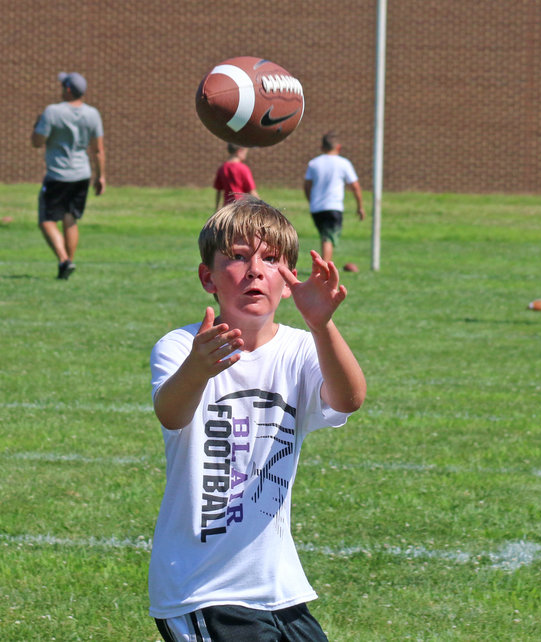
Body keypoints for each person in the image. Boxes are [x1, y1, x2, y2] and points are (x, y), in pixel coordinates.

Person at [148, 197, 366, 641]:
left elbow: (349, 399)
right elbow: (170, 414)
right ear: (208, 277)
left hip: (278, 587)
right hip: (204, 588)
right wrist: (198, 368)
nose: (255, 270)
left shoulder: (301, 348)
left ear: (287, 281)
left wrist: (323, 325)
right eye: (239, 257)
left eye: (270, 259)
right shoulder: (183, 346)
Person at [31, 72, 105, 280]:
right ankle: (68, 264)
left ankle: (64, 260)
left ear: (68, 90)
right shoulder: (93, 114)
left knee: (46, 219)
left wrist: (37, 126)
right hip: (82, 174)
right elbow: (98, 149)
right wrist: (101, 177)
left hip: (57, 174)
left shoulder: (52, 112)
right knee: (70, 218)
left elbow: (37, 142)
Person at [303, 131, 365, 262]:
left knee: (325, 236)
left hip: (316, 208)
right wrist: (360, 206)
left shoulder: (313, 163)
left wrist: (311, 200)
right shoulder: (344, 163)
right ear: (339, 147)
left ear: (322, 147)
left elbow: (307, 185)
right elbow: (355, 186)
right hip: (334, 207)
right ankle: (325, 269)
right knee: (328, 239)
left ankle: (324, 265)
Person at [213, 143, 259, 210]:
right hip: (242, 207)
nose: (246, 154)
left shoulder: (222, 168)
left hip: (227, 208)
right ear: (239, 151)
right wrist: (263, 205)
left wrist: (217, 207)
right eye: (245, 152)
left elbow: (219, 191)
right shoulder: (243, 169)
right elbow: (251, 191)